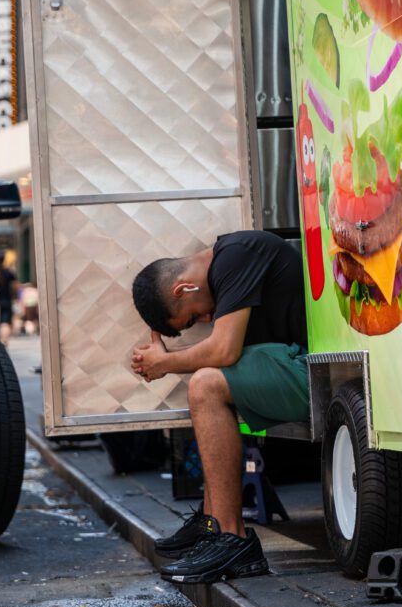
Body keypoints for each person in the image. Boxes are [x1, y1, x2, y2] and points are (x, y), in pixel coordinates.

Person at [130, 230, 308, 584]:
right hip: (289, 365)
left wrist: (164, 363)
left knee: (206, 383)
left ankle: (233, 539)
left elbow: (224, 350)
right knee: (207, 381)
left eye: (193, 318)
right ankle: (214, 524)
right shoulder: (230, 260)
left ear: (183, 289)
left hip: (310, 369)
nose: (206, 319)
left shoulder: (237, 255)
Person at [0, 249, 18, 345]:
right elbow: (15, 287)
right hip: (7, 300)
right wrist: (15, 297)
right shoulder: (9, 273)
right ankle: (4, 340)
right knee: (5, 322)